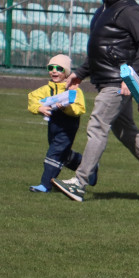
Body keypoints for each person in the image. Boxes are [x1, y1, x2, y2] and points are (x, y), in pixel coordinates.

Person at [51, 0, 139, 203]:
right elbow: (100, 50)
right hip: (107, 80)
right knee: (127, 132)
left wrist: (132, 77)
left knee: (97, 126)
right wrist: (80, 73)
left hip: (118, 82)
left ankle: (80, 182)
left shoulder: (130, 11)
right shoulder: (103, 10)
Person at [26, 54, 89, 192]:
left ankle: (45, 185)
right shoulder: (46, 89)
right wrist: (39, 108)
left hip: (68, 127)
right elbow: (32, 98)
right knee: (63, 155)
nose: (54, 71)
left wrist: (67, 108)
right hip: (53, 126)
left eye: (59, 68)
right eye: (51, 67)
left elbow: (80, 109)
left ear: (66, 72)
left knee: (54, 153)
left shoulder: (73, 90)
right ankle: (88, 167)